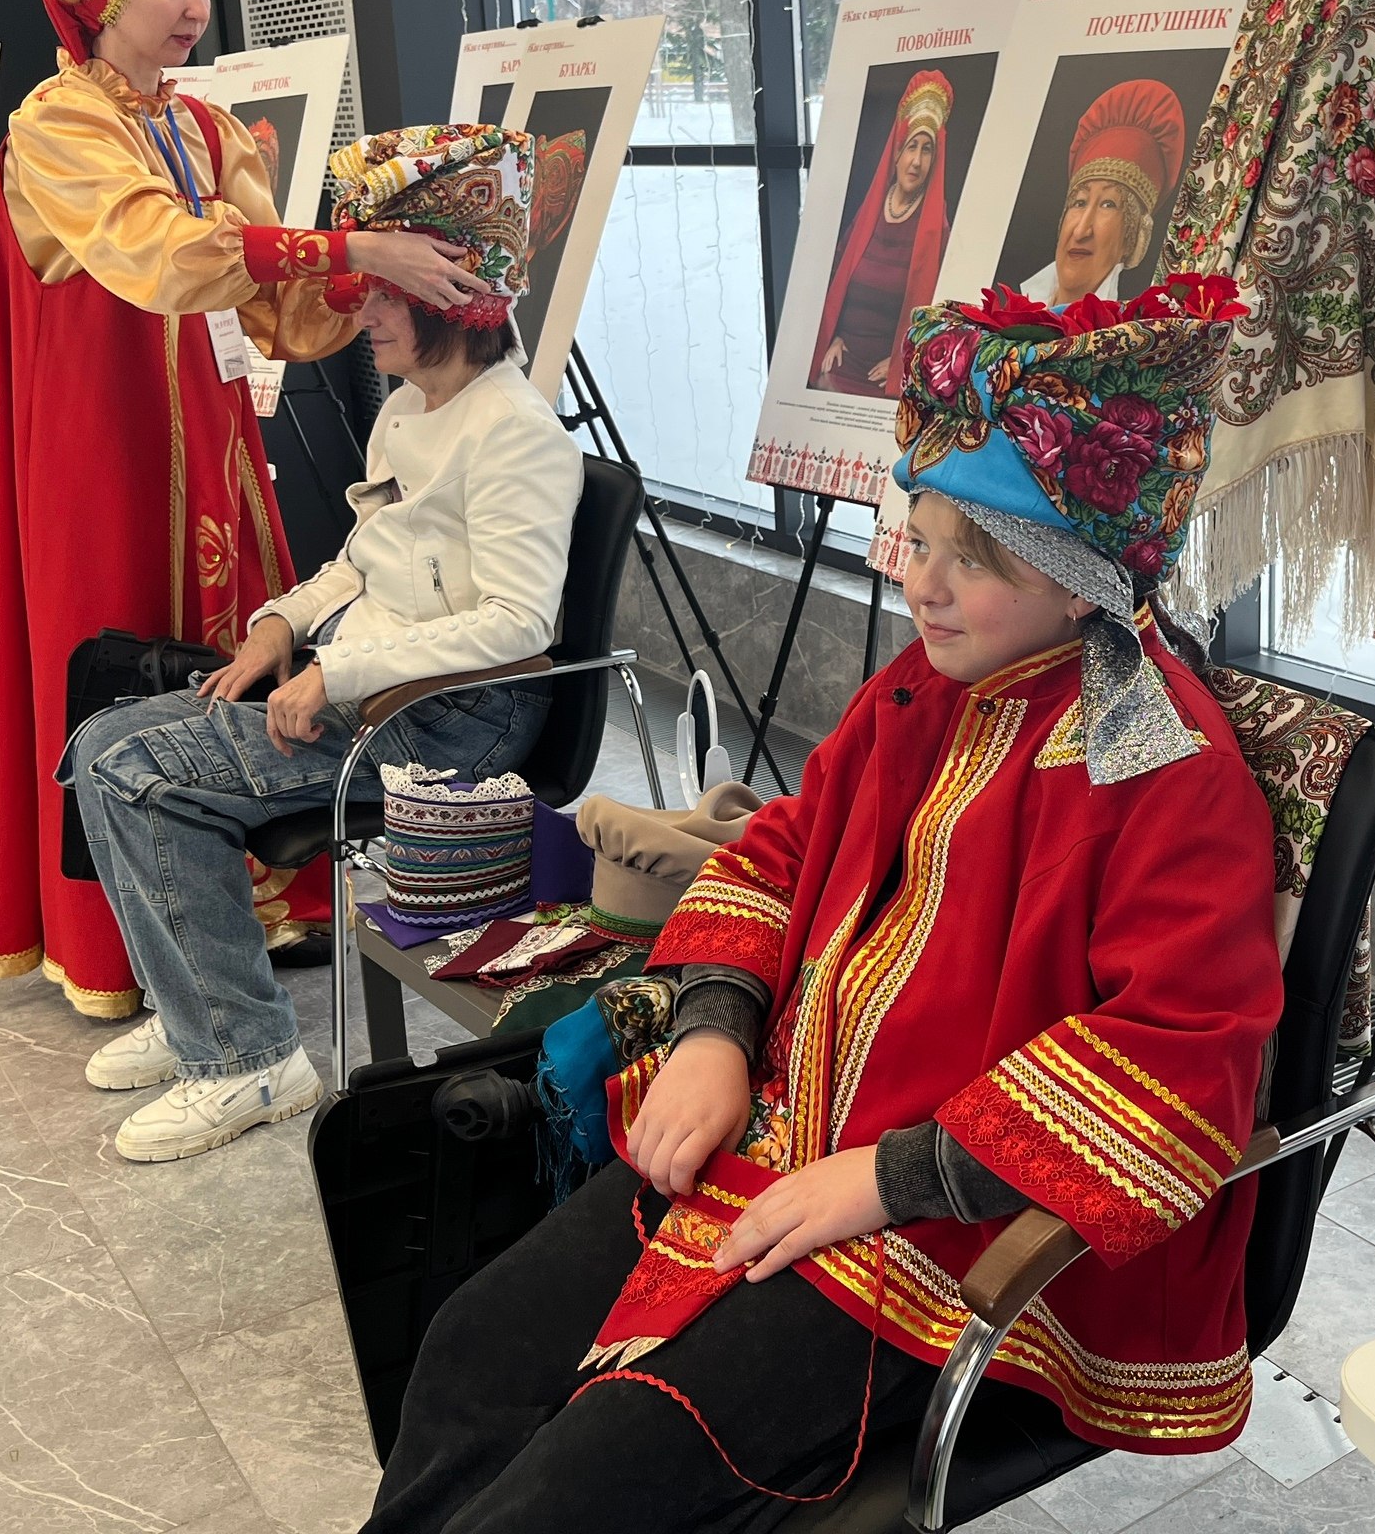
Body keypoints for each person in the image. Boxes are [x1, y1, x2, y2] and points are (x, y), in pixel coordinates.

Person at [364, 274, 1280, 1533]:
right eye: (922, 538)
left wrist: (888, 1179)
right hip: (782, 1126)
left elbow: (1181, 1058)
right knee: (474, 1345)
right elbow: (777, 855)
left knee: (602, 1470)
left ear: (1083, 582)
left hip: (955, 1224)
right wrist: (713, 1033)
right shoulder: (925, 693)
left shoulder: (1167, 777)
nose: (923, 586)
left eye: (974, 560)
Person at [0, 0, 481, 1018]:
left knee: (231, 654)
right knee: (116, 655)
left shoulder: (206, 129)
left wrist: (378, 264)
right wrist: (346, 248)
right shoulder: (57, 124)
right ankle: (122, 947)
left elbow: (279, 307)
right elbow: (154, 251)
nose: (196, 5)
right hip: (100, 449)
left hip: (209, 440)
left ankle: (247, 901)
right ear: (106, 0)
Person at [66, 122, 578, 1161]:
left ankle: (247, 1058)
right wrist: (281, 625)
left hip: (455, 720)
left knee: (129, 766)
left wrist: (335, 669)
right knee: (103, 741)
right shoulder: (408, 408)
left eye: (384, 293)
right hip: (385, 690)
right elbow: (361, 558)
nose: (362, 310)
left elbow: (519, 623)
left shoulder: (517, 433)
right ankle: (203, 1002)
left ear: (450, 300)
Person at [809, 68, 952, 396]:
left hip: (887, 375)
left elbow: (939, 315)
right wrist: (834, 336)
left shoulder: (936, 229)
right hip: (844, 357)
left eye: (927, 149)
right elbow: (835, 278)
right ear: (897, 152)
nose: (916, 161)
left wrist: (901, 363)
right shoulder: (870, 212)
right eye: (911, 147)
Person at [1020, 77, 1186, 306]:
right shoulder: (1005, 313)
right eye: (1079, 202)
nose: (1081, 231)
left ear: (1134, 240)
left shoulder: (1124, 329)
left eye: (1108, 204)